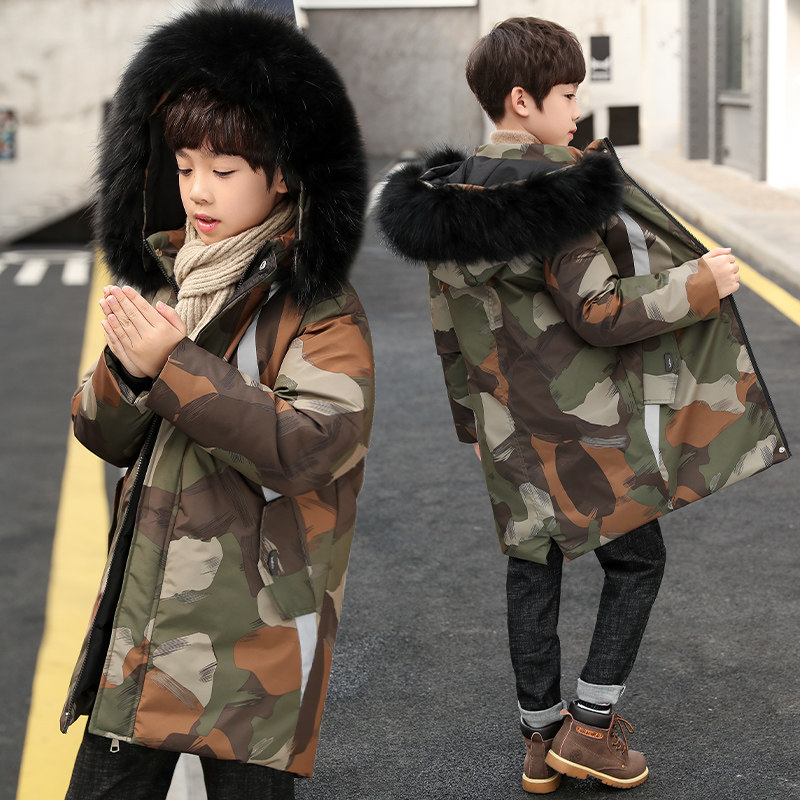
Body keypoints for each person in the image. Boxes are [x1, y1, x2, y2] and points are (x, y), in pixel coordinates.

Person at [378, 15, 788, 794]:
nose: (577, 112)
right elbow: (600, 311)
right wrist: (700, 284)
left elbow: (447, 333)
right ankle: (591, 727)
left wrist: (471, 423)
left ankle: (540, 742)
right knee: (637, 561)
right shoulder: (559, 192)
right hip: (583, 426)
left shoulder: (446, 200)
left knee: (532, 567)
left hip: (505, 424)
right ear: (522, 100)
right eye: (567, 95)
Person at [62, 6, 373, 798]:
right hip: (142, 636)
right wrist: (130, 372)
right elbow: (99, 431)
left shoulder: (320, 307)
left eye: (224, 170)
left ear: (282, 175)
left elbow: (314, 447)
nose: (198, 191)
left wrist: (172, 367)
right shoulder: (175, 276)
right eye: (184, 166)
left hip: (249, 650)